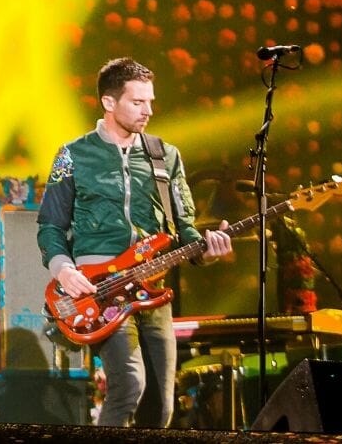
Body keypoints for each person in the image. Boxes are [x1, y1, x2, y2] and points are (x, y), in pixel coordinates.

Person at [36, 57, 232, 427]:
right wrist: (63, 269)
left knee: (161, 407)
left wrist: (207, 250)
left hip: (152, 285)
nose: (148, 111)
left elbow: (183, 229)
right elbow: (50, 225)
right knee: (129, 385)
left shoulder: (165, 156)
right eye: (138, 102)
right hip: (100, 288)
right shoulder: (73, 155)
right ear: (109, 102)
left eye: (151, 102)